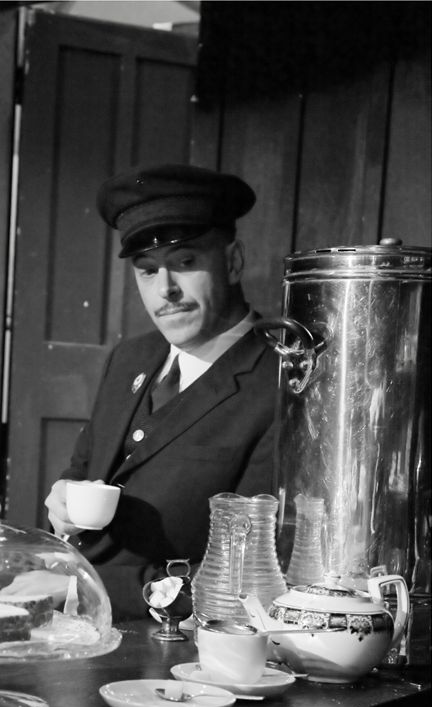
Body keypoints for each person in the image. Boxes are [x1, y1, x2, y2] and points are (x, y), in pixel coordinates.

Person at [44, 163, 280, 620]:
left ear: (233, 262)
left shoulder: (279, 381)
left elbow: (251, 575)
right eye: (147, 271)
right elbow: (81, 470)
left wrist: (78, 589)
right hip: (74, 625)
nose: (166, 290)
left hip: (178, 653)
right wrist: (61, 506)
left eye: (186, 263)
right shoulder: (130, 358)